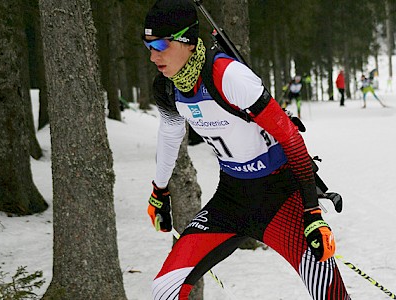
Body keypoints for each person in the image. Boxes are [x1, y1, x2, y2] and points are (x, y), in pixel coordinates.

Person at [142, 0, 351, 299]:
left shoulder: (228, 76)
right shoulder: (167, 89)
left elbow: (291, 139)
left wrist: (312, 213)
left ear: (187, 40)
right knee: (164, 288)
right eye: (147, 45)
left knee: (331, 295)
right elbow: (169, 135)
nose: (153, 56)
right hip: (231, 201)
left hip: (281, 199)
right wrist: (159, 191)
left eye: (160, 44)